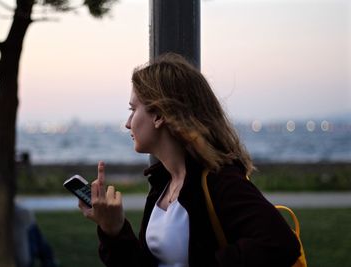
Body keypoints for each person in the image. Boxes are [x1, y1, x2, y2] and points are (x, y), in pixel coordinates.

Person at [78, 53, 301, 266]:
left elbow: (280, 244)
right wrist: (113, 229)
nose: (128, 123)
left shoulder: (219, 179)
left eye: (133, 109)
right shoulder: (162, 185)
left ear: (158, 115)